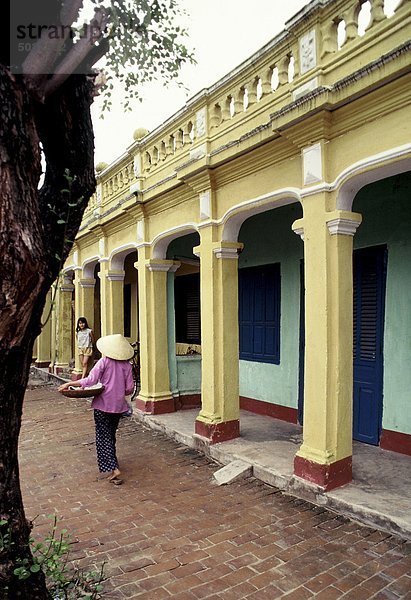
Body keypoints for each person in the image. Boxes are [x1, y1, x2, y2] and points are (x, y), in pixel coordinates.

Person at [58, 333, 134, 485]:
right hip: (118, 407)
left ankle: (113, 468)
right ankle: (113, 464)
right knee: (110, 435)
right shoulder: (127, 366)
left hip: (103, 405)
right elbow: (129, 389)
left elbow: (91, 380)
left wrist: (68, 384)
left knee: (102, 436)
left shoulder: (104, 362)